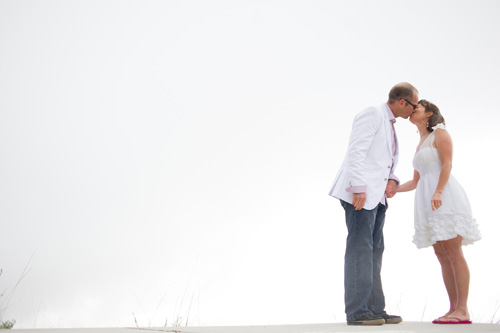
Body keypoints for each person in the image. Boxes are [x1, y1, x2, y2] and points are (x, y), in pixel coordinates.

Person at [329, 82, 418, 325]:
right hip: (361, 194)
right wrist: (358, 188)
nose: (414, 109)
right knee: (360, 249)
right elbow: (356, 151)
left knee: (375, 251)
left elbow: (385, 159)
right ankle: (357, 311)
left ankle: (375, 309)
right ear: (402, 102)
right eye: (413, 105)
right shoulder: (373, 113)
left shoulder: (389, 123)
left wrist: (392, 179)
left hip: (376, 197)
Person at [390, 100, 481, 324]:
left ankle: (463, 310)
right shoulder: (420, 143)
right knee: (442, 255)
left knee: (453, 252)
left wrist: (439, 191)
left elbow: (447, 164)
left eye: (417, 108)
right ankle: (453, 309)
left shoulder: (440, 133)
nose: (413, 110)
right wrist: (394, 189)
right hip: (426, 200)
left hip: (445, 197)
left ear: (429, 113)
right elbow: (415, 180)